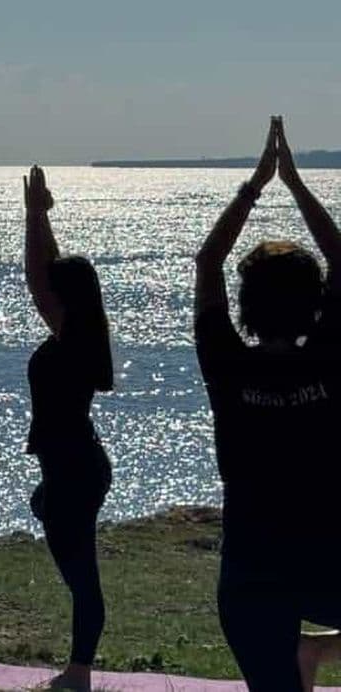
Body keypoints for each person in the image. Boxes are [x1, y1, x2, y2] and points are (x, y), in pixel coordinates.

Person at [195, 118, 341, 691]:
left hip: (253, 570)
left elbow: (208, 264)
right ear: (315, 303)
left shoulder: (228, 365)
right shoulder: (330, 356)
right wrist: (296, 183)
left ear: (246, 305)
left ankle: (308, 654)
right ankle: (312, 653)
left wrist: (256, 185)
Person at [23, 166, 114, 692]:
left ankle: (79, 673)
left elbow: (39, 278)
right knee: (72, 556)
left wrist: (34, 217)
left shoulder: (73, 337)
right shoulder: (81, 330)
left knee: (82, 577)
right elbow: (49, 274)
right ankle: (78, 666)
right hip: (76, 464)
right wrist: (42, 218)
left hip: (75, 469)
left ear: (67, 298)